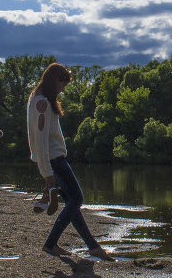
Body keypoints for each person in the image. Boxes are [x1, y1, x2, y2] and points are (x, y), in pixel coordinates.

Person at [26, 62, 114, 261]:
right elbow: (40, 141)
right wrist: (47, 176)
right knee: (77, 199)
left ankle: (92, 246)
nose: (62, 89)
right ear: (54, 80)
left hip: (53, 160)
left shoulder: (36, 98)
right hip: (54, 161)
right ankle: (50, 244)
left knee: (71, 203)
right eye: (62, 85)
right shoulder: (42, 103)